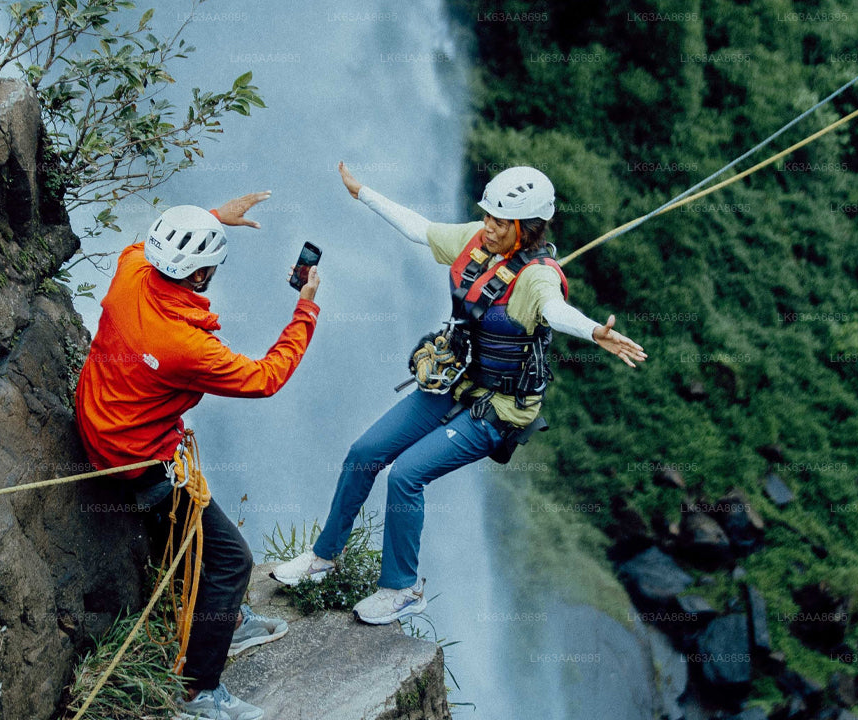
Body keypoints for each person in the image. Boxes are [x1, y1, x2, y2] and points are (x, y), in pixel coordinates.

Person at [271, 164, 647, 625]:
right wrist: (362, 192)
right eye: (487, 216)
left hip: (499, 410)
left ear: (524, 229)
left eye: (499, 221)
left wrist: (594, 333)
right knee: (364, 452)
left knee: (406, 475)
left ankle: (402, 589)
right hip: (455, 383)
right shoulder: (476, 241)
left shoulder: (538, 277)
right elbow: (420, 229)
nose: (487, 226)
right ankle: (322, 558)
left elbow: (554, 309)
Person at [75, 193, 321, 720]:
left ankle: (225, 617)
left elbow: (146, 245)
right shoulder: (187, 346)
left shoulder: (128, 270)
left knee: (198, 543)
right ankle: (200, 689)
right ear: (200, 277)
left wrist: (210, 217)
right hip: (139, 461)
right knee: (232, 560)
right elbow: (265, 378)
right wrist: (306, 310)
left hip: (100, 425)